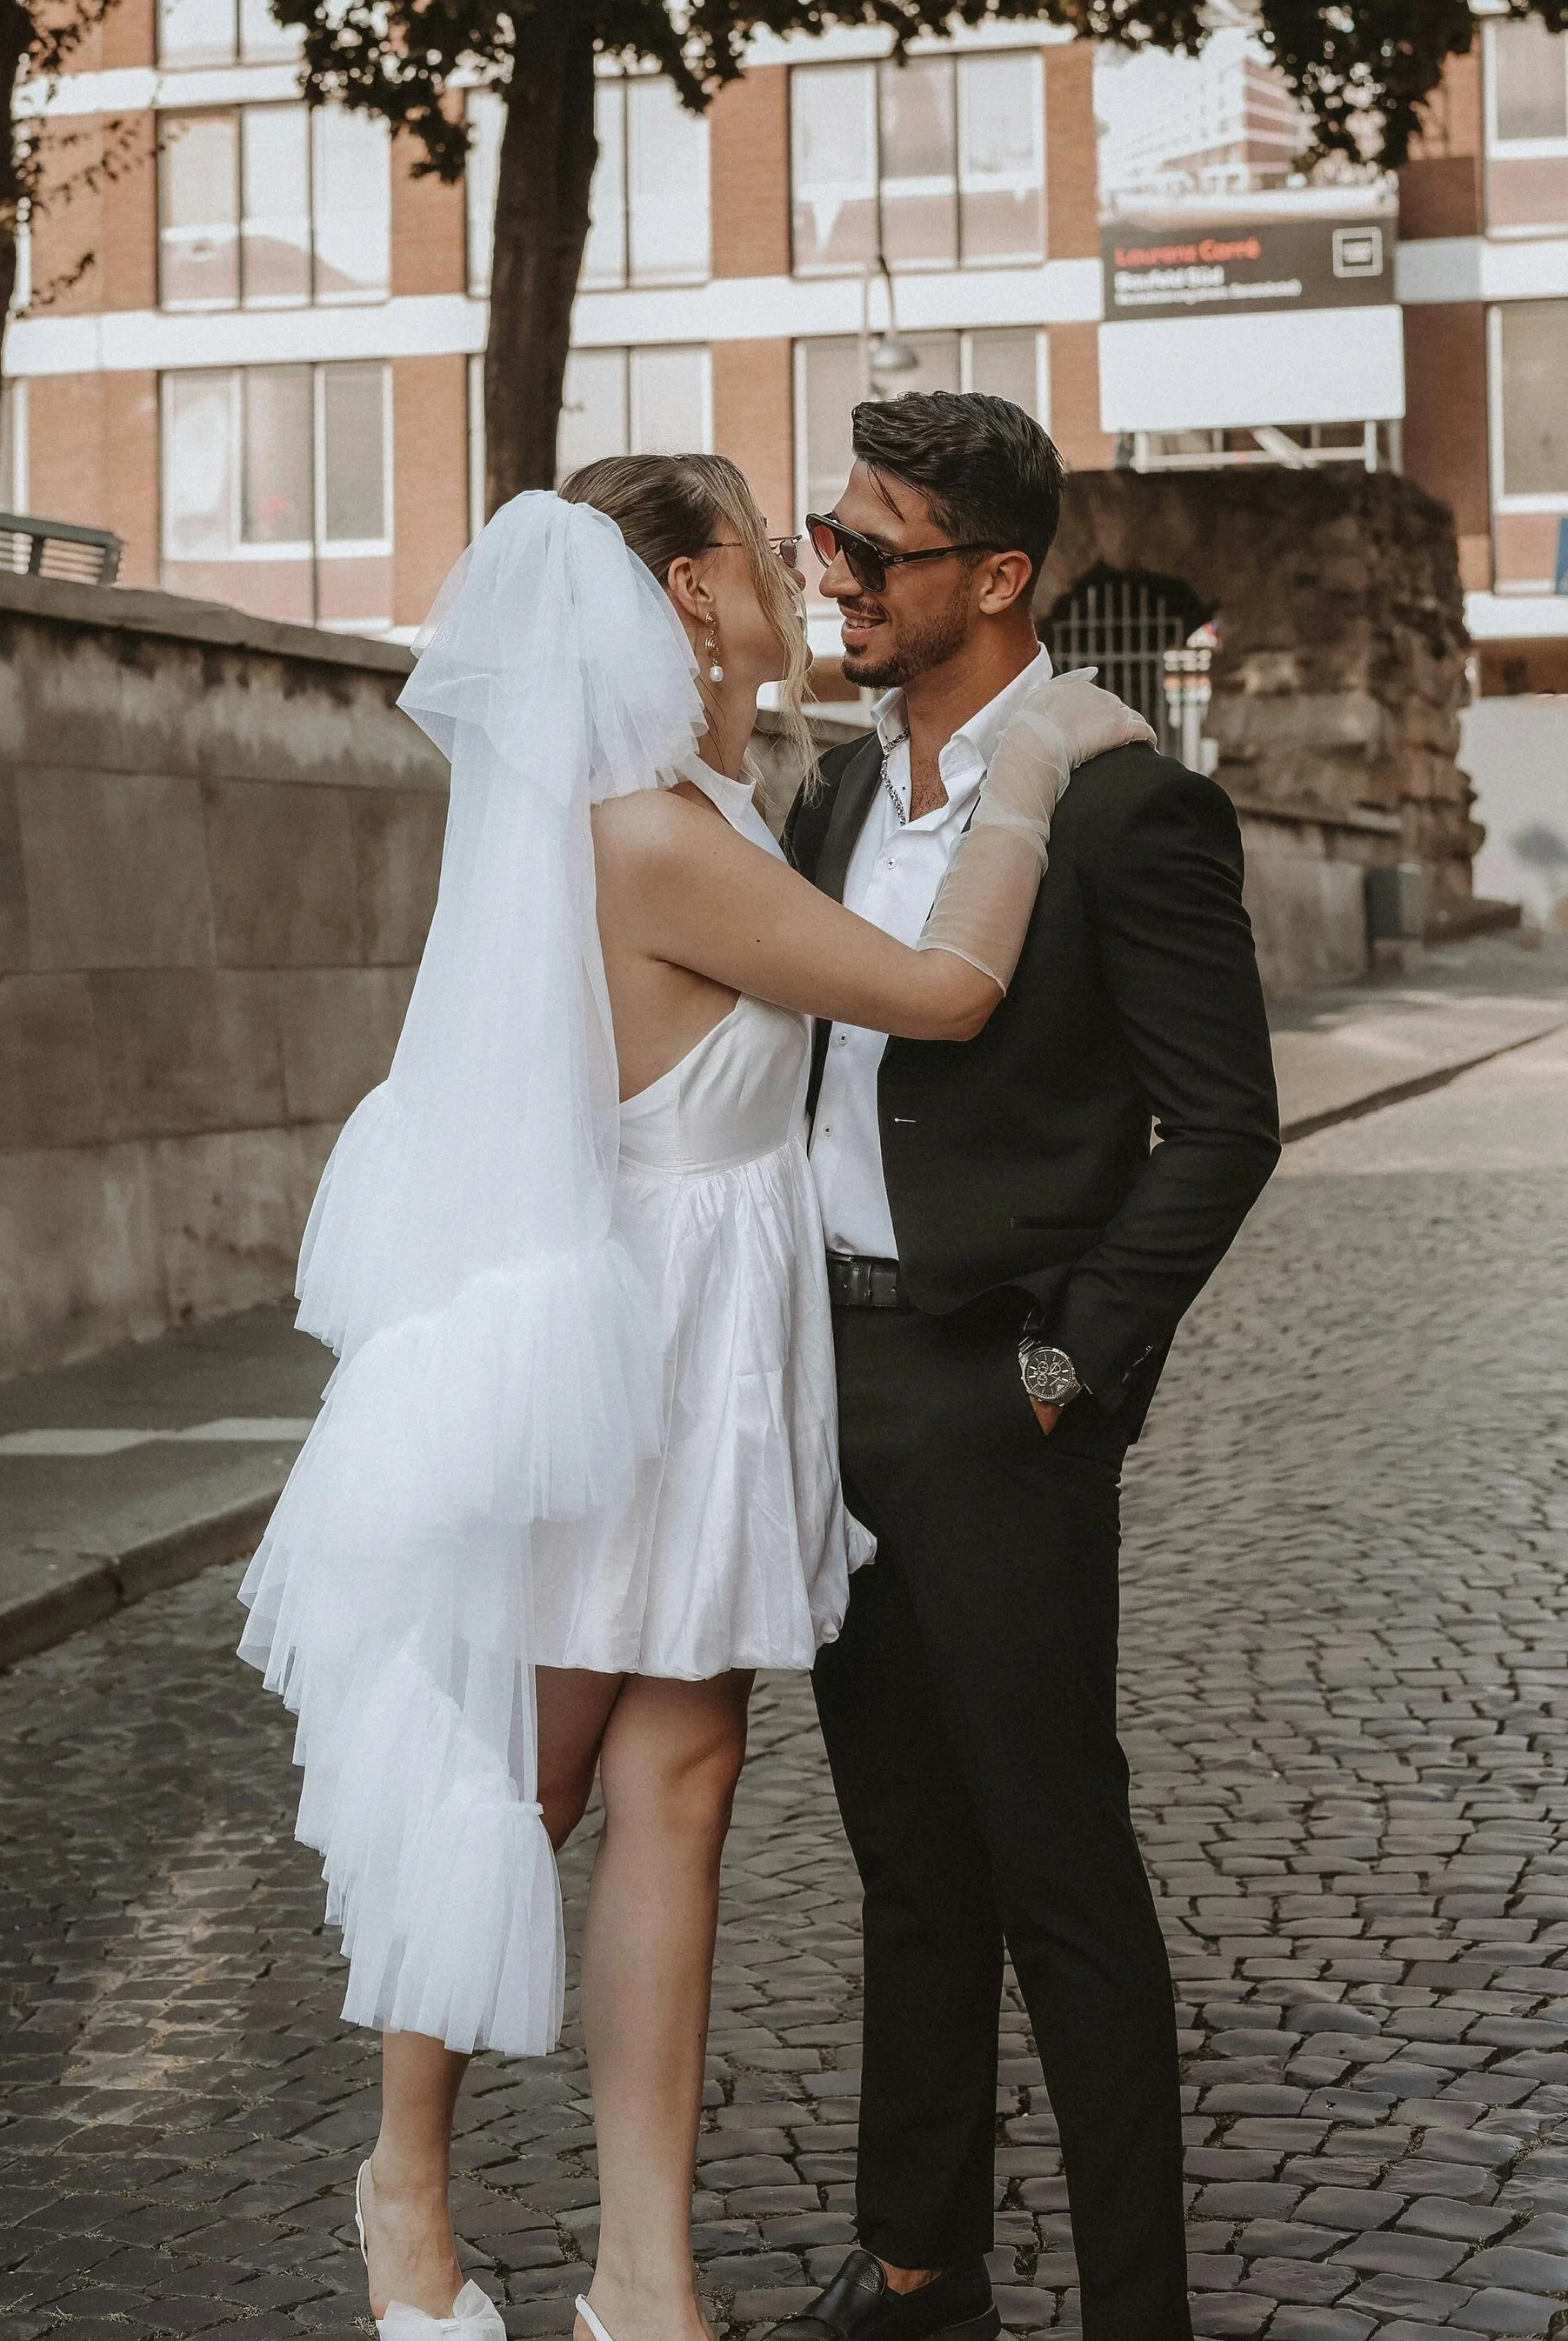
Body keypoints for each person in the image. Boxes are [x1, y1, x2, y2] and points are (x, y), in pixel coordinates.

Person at [238, 454, 1149, 2341]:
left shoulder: (720, 802)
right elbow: (942, 987)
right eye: (764, 550)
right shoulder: (645, 836)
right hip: (613, 1350)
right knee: (539, 1776)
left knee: (687, 1778)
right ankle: (404, 2192)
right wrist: (1036, 763)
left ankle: (641, 2279)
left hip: (721, 1346)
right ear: (679, 591)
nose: (799, 579)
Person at [767, 394, 1282, 2341]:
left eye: (869, 553)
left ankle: (1132, 2314)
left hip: (1000, 1402)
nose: (835, 579)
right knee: (905, 1860)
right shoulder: (831, 795)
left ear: (993, 578)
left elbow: (1220, 1127)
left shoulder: (1124, 801)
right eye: (826, 541)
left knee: (1061, 1875)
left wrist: (1071, 1372)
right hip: (841, 1383)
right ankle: (920, 2272)